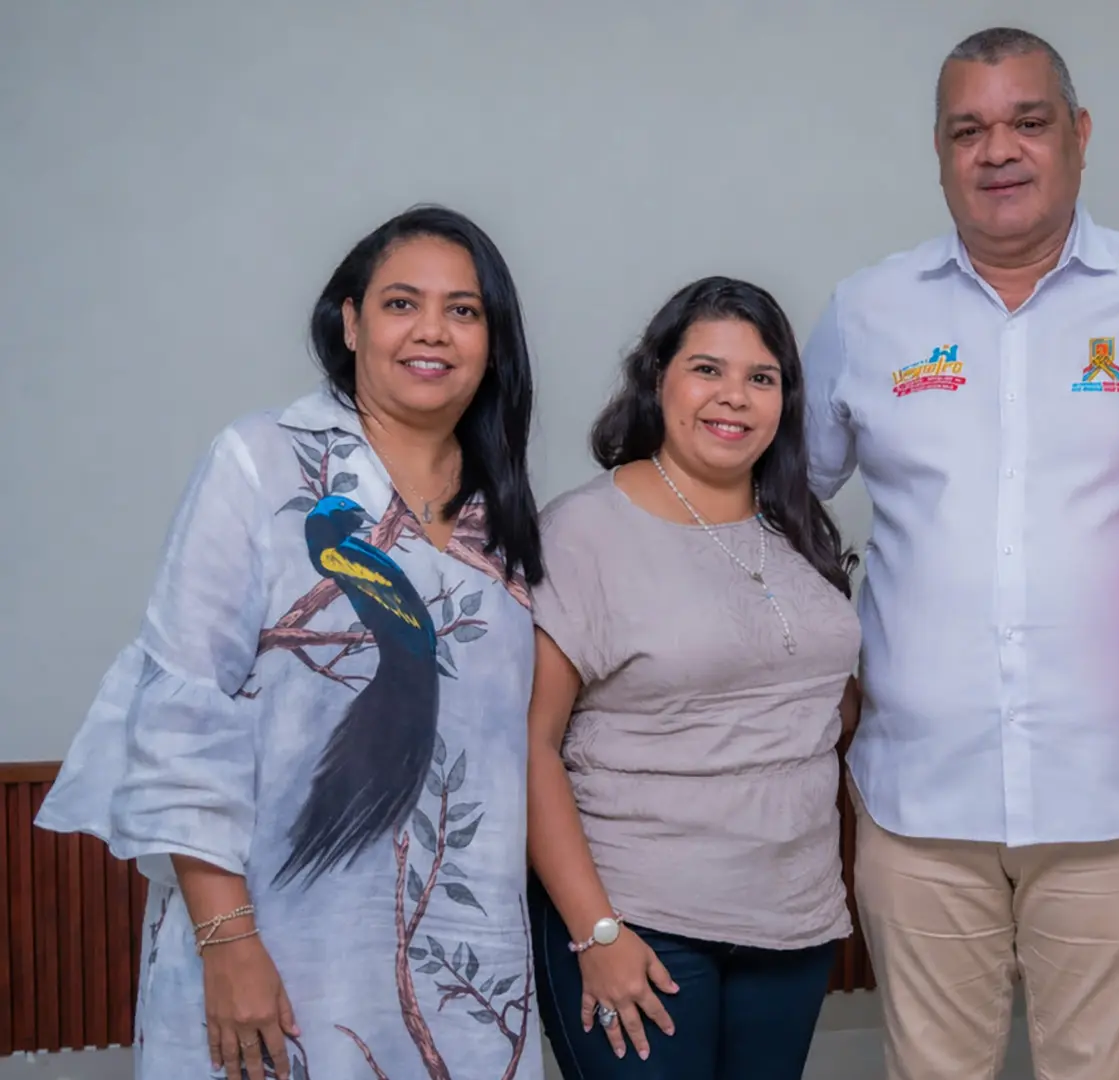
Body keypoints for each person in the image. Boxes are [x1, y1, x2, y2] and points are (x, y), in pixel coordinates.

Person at [33, 205, 548, 1079]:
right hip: (274, 941)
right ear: (349, 322)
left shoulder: (504, 517)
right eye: (400, 304)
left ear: (493, 341)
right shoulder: (262, 465)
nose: (433, 331)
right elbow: (180, 716)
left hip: (460, 959)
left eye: (464, 310)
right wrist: (228, 942)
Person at [801, 26, 1119, 1080]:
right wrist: (806, 670)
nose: (998, 151)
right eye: (967, 130)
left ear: (1077, 134)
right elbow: (779, 500)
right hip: (919, 799)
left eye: (1027, 122)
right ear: (938, 152)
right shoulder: (868, 311)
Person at [526, 276, 862, 1080]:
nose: (735, 398)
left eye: (761, 378)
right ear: (657, 379)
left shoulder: (796, 526)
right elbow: (528, 745)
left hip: (793, 922)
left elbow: (819, 700)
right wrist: (595, 933)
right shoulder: (584, 531)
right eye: (707, 369)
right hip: (639, 918)